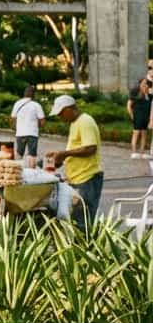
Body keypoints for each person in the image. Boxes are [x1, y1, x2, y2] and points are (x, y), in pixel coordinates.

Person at [49, 95, 104, 231]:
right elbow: (75, 149)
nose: (60, 117)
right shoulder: (75, 123)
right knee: (77, 220)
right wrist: (59, 159)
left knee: (83, 221)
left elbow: (90, 148)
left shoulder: (85, 121)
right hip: (77, 178)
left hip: (87, 178)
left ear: (70, 109)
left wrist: (65, 154)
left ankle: (86, 249)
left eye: (61, 113)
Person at [11, 85, 46, 158]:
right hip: (32, 133)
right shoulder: (36, 105)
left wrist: (16, 129)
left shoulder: (17, 104)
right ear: (34, 94)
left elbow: (13, 118)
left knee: (19, 155)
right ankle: (31, 169)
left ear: (24, 93)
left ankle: (18, 168)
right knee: (32, 156)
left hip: (20, 133)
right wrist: (37, 127)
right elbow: (42, 121)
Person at [127, 78, 151, 159]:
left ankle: (142, 153)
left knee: (144, 134)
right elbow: (129, 106)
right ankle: (134, 152)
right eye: (143, 82)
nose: (145, 84)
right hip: (137, 117)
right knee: (136, 134)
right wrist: (132, 116)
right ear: (140, 84)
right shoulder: (135, 93)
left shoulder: (149, 95)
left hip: (145, 118)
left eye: (146, 83)